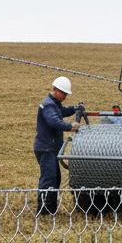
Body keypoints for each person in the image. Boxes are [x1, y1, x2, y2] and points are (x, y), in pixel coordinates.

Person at [34, 76, 81, 215]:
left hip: (50, 148)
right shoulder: (48, 105)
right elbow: (54, 121)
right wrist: (70, 126)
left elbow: (62, 112)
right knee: (49, 178)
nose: (65, 97)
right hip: (46, 148)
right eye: (64, 93)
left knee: (54, 178)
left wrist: (74, 109)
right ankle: (43, 211)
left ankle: (50, 209)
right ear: (56, 90)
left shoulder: (54, 104)